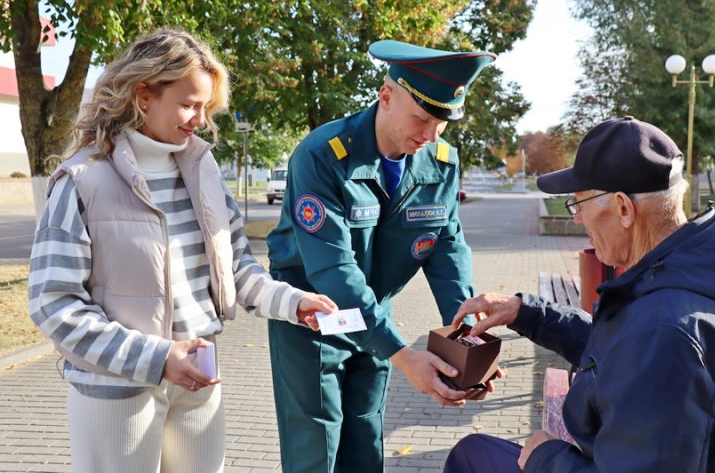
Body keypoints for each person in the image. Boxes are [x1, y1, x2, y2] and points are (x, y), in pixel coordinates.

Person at [27, 27, 337, 473]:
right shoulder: (82, 181)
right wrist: (156, 359)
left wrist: (294, 302)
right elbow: (53, 303)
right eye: (189, 104)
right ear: (143, 94)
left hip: (198, 377)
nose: (199, 120)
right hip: (117, 391)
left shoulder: (204, 171)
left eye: (206, 108)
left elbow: (235, 268)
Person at [443, 116, 715, 472]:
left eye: (579, 204)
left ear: (624, 209)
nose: (577, 218)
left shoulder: (666, 328)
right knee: (474, 451)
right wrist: (525, 312)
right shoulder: (706, 272)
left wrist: (544, 457)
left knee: (471, 457)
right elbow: (627, 355)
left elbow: (650, 351)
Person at [265, 39, 496, 472]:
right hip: (314, 319)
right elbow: (333, 269)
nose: (430, 135)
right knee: (316, 447)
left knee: (365, 443)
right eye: (423, 117)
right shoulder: (322, 156)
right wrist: (402, 354)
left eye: (442, 123)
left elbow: (446, 248)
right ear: (386, 97)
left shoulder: (441, 163)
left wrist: (465, 338)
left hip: (375, 319)